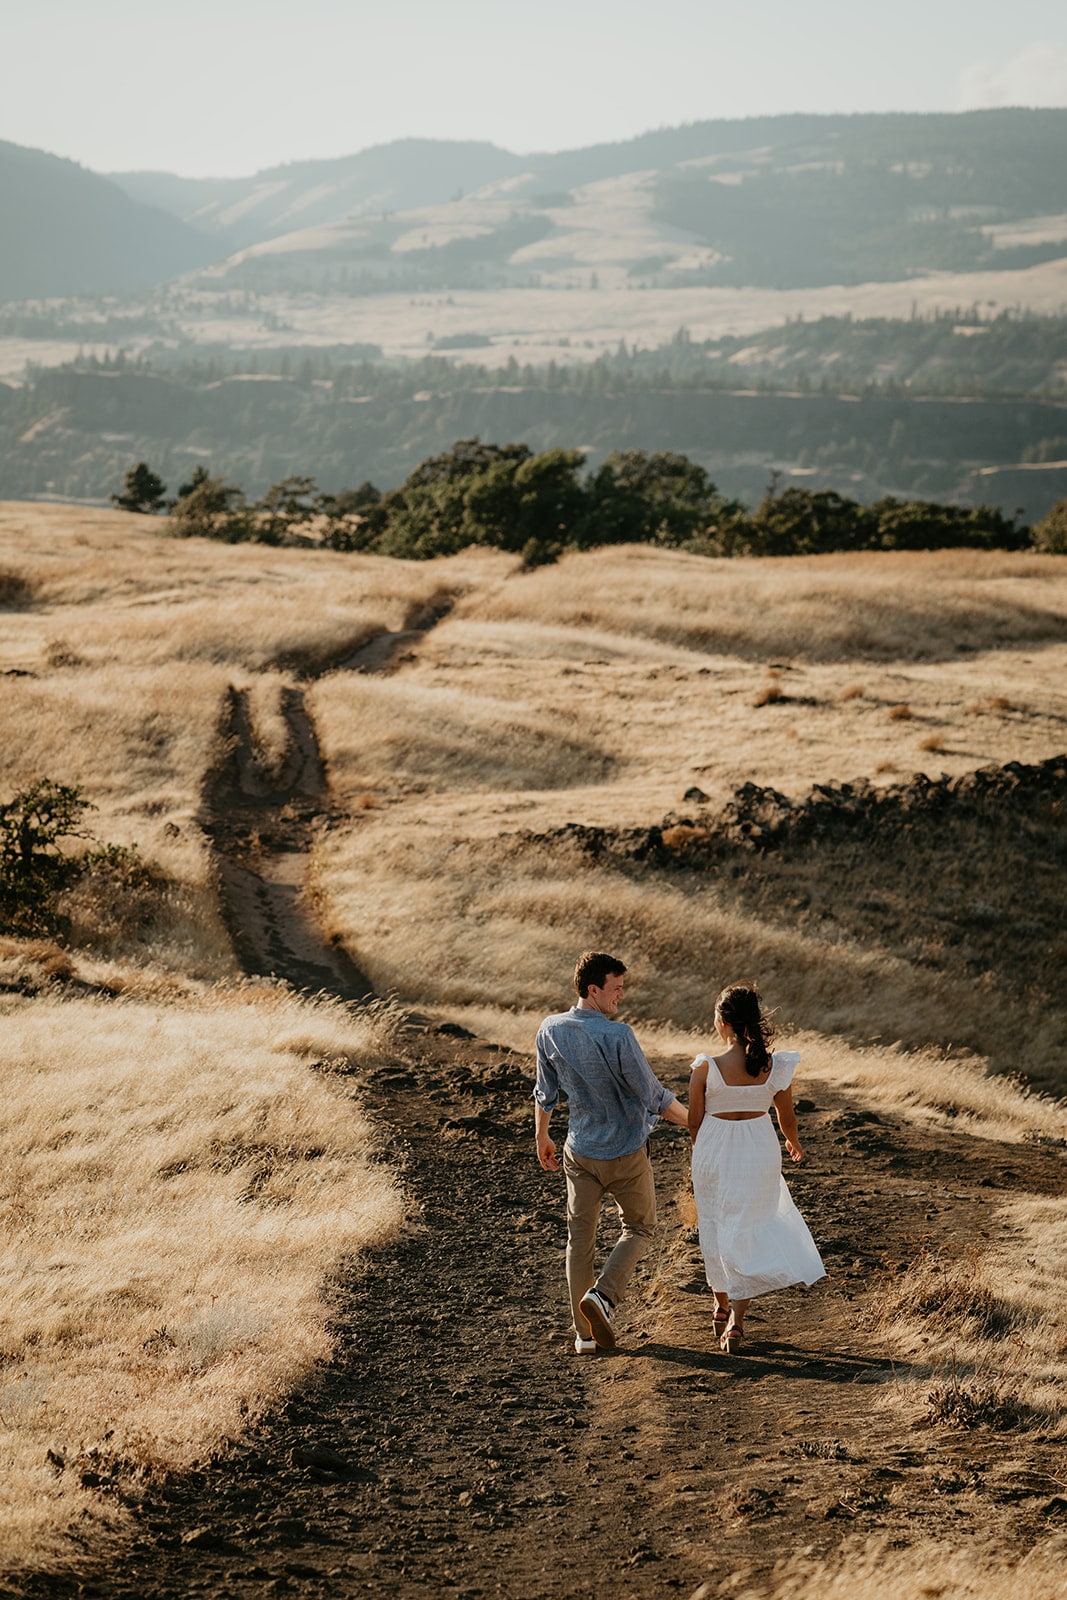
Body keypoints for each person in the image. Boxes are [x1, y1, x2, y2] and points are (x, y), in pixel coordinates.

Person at [534, 951, 689, 1353]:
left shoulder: (549, 1029)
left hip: (579, 1151)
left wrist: (541, 1137)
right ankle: (603, 1297)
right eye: (615, 989)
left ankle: (584, 1337)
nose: (620, 997)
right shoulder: (618, 1036)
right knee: (639, 1228)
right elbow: (654, 1096)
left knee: (579, 1242)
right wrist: (696, 1121)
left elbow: (544, 1093)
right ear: (592, 990)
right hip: (624, 1152)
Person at [689, 982, 824, 1353]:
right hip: (759, 1149)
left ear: (723, 1022)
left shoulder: (705, 1067)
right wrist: (793, 1143)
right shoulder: (774, 1067)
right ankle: (735, 1321)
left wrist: (702, 1150)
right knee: (746, 1227)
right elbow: (788, 1118)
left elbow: (694, 1122)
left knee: (715, 1225)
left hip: (714, 1150)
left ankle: (719, 1304)